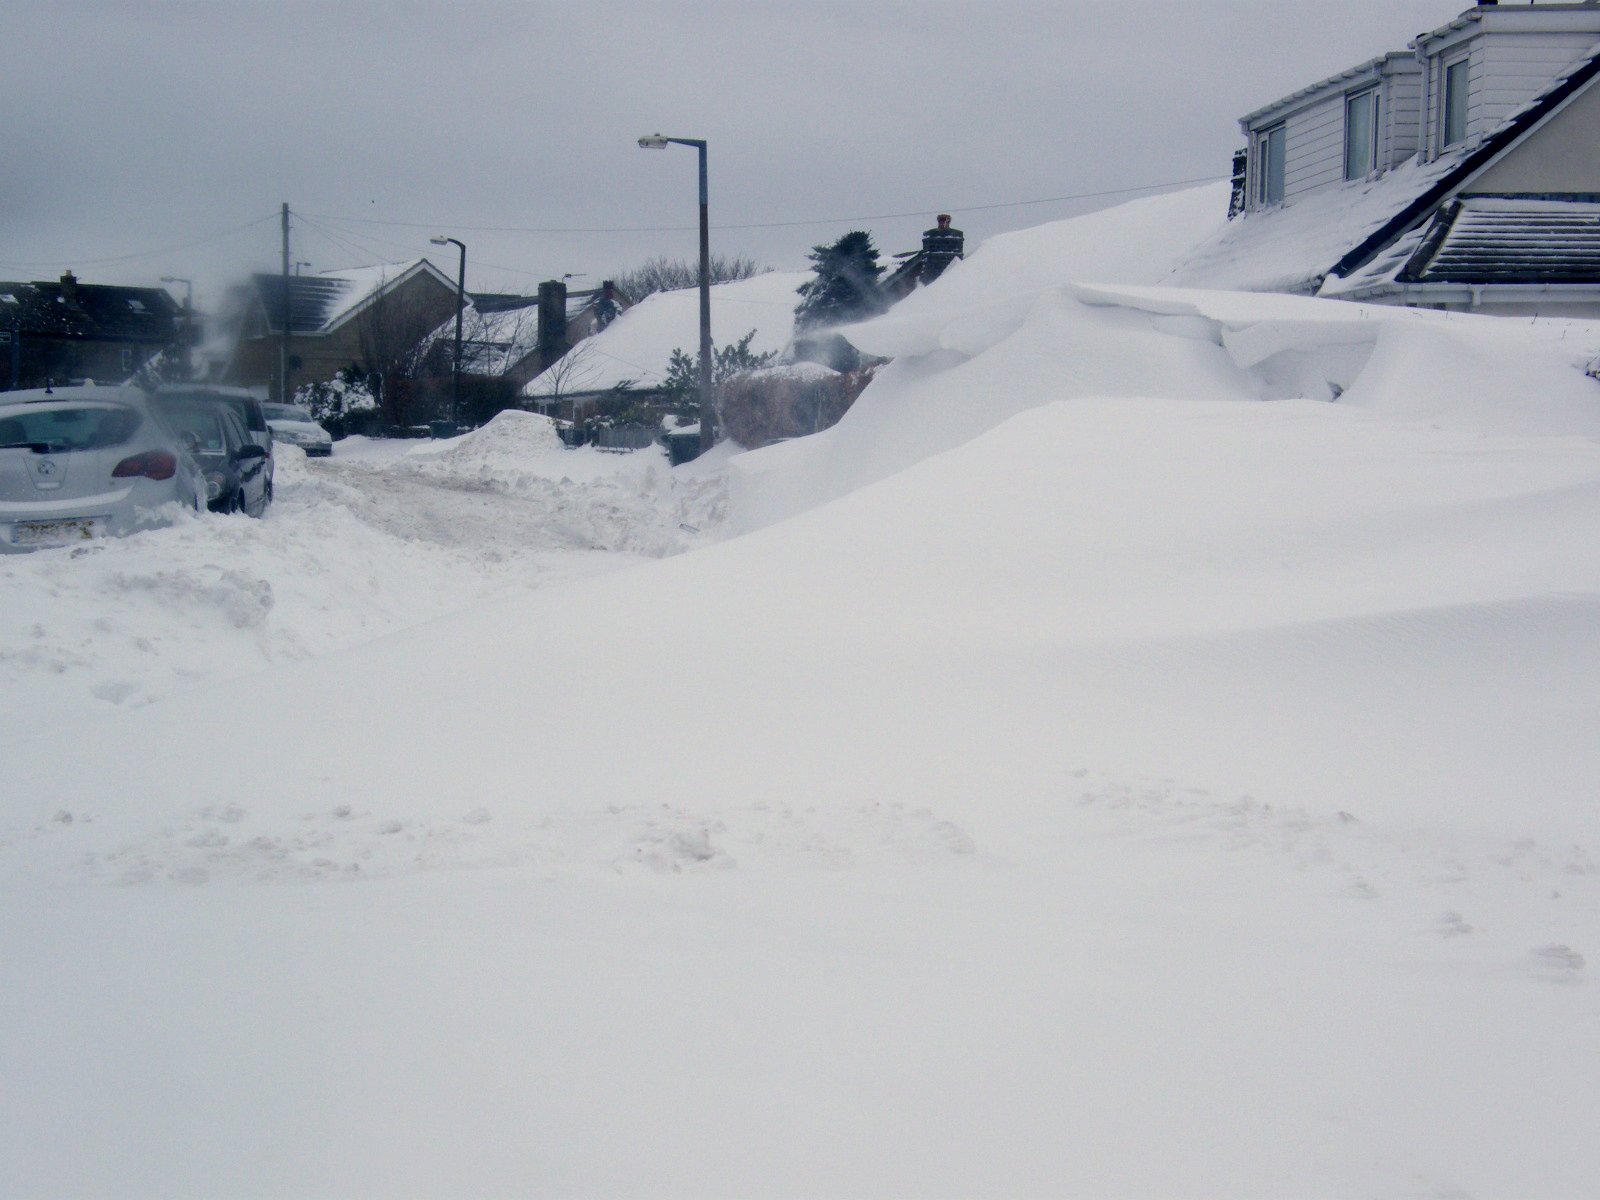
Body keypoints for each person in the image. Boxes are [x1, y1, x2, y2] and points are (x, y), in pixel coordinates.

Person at [919, 214, 964, 285]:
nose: (942, 223)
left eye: (944, 221)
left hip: (950, 270)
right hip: (932, 270)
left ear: (948, 222)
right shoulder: (931, 234)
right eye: (941, 221)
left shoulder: (956, 234)